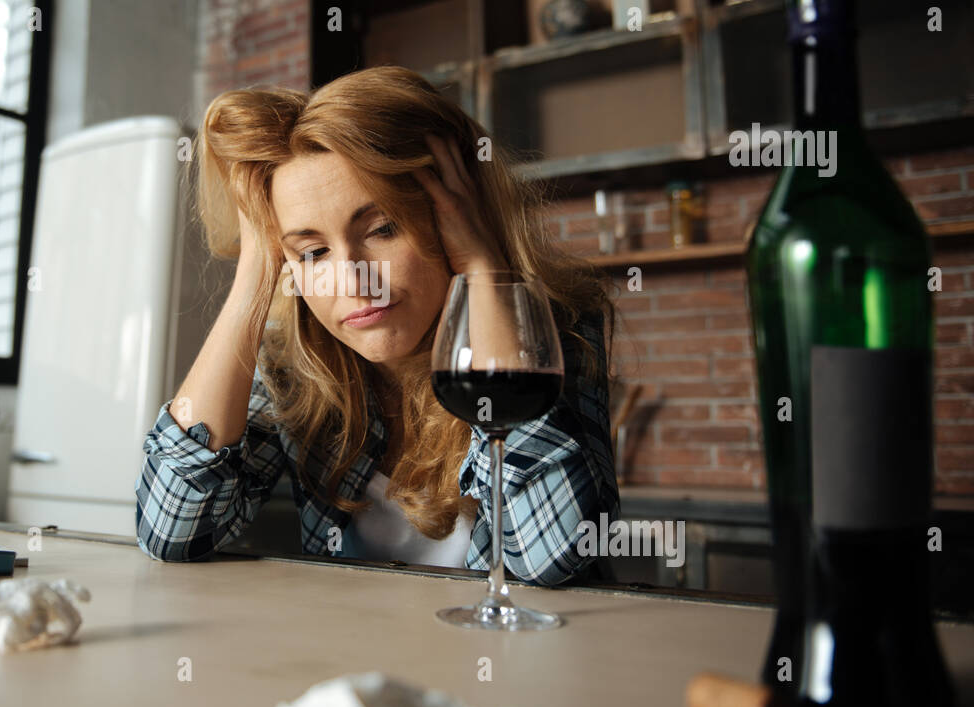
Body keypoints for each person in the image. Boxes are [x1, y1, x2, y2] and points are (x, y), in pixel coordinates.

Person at [135, 65, 620, 587]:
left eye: (383, 228)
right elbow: (171, 530)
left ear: (454, 217)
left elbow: (548, 560)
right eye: (313, 251)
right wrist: (256, 273)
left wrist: (483, 268)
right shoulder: (294, 364)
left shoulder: (550, 337)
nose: (354, 282)